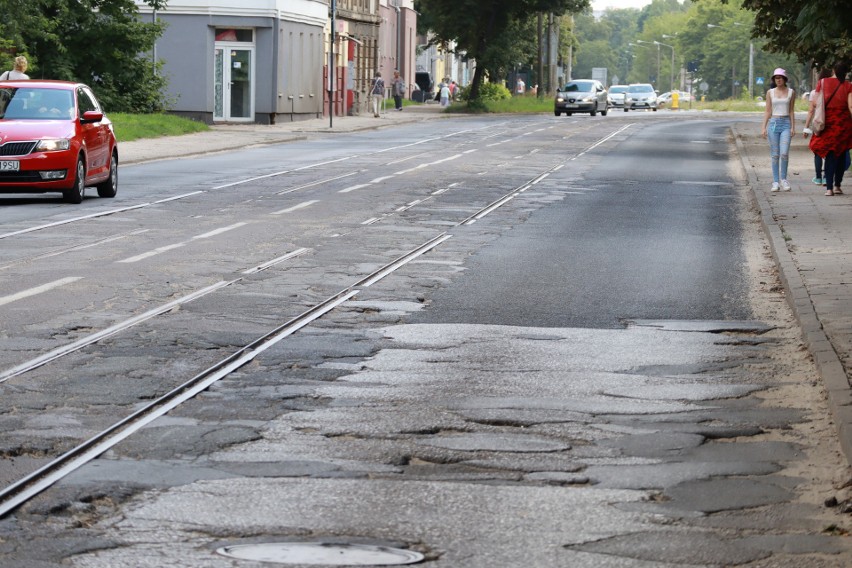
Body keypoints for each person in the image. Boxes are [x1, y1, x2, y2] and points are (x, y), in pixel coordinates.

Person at [805, 61, 852, 196]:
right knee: (842, 154)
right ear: (845, 72)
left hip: (828, 123)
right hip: (843, 124)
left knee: (830, 155)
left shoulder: (823, 82)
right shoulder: (848, 85)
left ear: (833, 70)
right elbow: (850, 106)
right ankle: (837, 186)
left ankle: (829, 189)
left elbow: (815, 103)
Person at [761, 68, 796, 192]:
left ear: (785, 79)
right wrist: (763, 127)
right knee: (775, 154)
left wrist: (793, 126)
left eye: (780, 77)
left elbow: (791, 110)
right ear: (774, 80)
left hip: (786, 122)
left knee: (784, 153)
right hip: (774, 124)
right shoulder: (770, 92)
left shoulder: (791, 92)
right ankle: (775, 182)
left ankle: (784, 179)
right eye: (776, 78)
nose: (778, 80)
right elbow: (768, 110)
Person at [804, 67, 834, 185]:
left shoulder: (814, 93)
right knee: (829, 152)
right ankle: (826, 177)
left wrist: (806, 127)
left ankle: (818, 177)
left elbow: (811, 111)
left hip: (818, 125)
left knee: (817, 150)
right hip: (830, 124)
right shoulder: (833, 90)